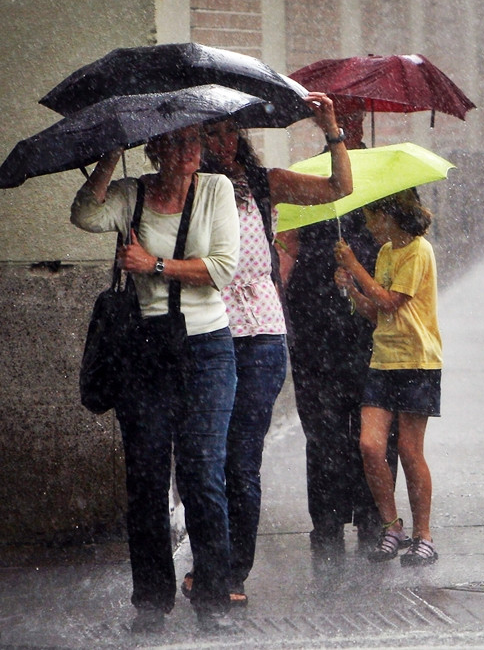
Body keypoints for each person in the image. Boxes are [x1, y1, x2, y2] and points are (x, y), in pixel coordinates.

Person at [179, 92, 353, 605]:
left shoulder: (264, 183)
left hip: (263, 338)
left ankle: (232, 573)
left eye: (232, 131)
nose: (225, 141)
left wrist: (332, 131)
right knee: (205, 456)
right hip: (208, 334)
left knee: (242, 457)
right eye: (212, 133)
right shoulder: (189, 189)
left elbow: (340, 187)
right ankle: (208, 564)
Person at [70, 125, 241, 634]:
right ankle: (151, 599)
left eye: (196, 141)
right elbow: (84, 215)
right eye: (177, 141)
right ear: (155, 148)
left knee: (202, 475)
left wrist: (155, 264)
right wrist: (107, 160)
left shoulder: (217, 189)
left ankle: (213, 596)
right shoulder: (131, 193)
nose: (191, 150)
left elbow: (223, 268)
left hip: (206, 348)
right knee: (145, 479)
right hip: (143, 352)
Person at [280, 103, 400, 566]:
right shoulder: (310, 181)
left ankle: (369, 517)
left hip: (370, 319)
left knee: (370, 429)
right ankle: (331, 521)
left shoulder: (386, 179)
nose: (349, 125)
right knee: (327, 428)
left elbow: (406, 246)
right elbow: (286, 249)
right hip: (318, 321)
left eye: (353, 117)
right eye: (340, 119)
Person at [333, 188, 442, 567]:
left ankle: (423, 535)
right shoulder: (383, 254)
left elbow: (392, 301)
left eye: (371, 217)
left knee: (410, 451)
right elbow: (377, 314)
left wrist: (354, 266)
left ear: (389, 215)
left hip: (416, 361)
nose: (367, 226)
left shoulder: (418, 251)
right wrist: (350, 290)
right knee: (369, 445)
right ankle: (391, 525)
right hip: (383, 361)